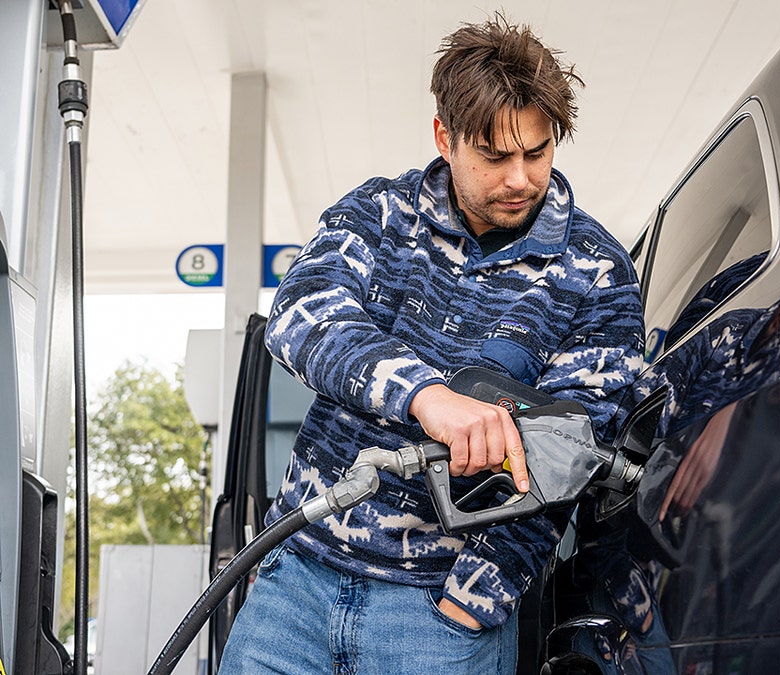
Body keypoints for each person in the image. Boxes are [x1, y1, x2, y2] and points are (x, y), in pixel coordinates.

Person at [219, 13, 645, 674]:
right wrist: (425, 396)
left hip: (437, 618)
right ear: (444, 137)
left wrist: (472, 601)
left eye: (537, 151)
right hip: (295, 588)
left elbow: (574, 458)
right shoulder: (378, 215)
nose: (519, 179)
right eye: (495, 155)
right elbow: (299, 314)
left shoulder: (595, 272)